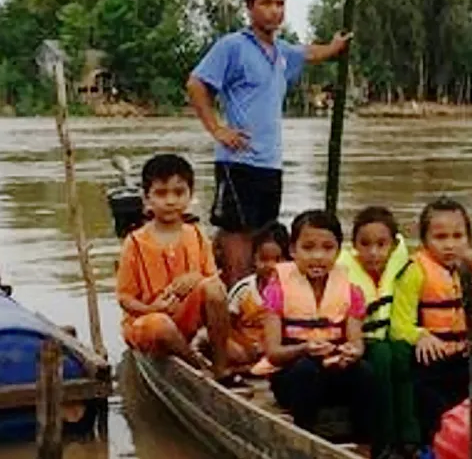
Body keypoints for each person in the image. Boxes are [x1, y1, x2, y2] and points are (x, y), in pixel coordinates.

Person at [186, 0, 352, 286]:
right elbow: (196, 83)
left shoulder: (281, 52)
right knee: (237, 235)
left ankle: (259, 307)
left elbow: (312, 53)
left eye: (280, 4)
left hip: (270, 162)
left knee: (265, 238)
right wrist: (218, 129)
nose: (275, 10)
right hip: (238, 160)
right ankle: (235, 303)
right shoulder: (233, 46)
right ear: (250, 6)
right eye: (266, 3)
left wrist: (336, 45)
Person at [252, 210, 376, 452]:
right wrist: (304, 348)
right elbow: (274, 353)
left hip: (334, 373)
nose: (318, 257)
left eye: (327, 248)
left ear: (338, 251)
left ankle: (365, 446)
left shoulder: (351, 292)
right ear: (293, 250)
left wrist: (350, 354)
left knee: (366, 374)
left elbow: (356, 343)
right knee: (305, 370)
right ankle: (303, 445)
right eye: (308, 248)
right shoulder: (277, 291)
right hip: (292, 377)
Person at [115, 154, 234, 382]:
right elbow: (125, 299)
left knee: (215, 289)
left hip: (184, 317)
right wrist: (152, 309)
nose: (170, 201)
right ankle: (195, 365)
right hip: (148, 323)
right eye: (161, 193)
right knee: (160, 324)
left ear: (190, 195)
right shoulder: (135, 242)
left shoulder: (197, 235)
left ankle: (221, 367)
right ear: (147, 197)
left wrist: (195, 278)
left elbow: (212, 280)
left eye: (178, 193)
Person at [390, 197, 472, 445]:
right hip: (432, 361)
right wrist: (421, 336)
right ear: (425, 241)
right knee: (431, 404)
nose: (450, 245)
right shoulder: (414, 272)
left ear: (469, 239)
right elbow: (398, 325)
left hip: (468, 359)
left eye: (458, 236)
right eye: (440, 238)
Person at [338, 206, 421, 457]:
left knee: (401, 354)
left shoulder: (403, 270)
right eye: (365, 244)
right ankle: (383, 440)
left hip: (390, 337)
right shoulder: (343, 272)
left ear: (393, 246)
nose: (373, 253)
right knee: (383, 357)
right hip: (359, 342)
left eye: (381, 244)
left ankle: (410, 437)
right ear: (355, 246)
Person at [226, 220, 290, 369]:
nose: (270, 266)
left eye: (277, 260)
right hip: (246, 348)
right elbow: (227, 325)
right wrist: (246, 345)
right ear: (254, 259)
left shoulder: (292, 291)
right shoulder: (244, 289)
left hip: (275, 350)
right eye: (264, 259)